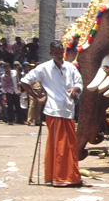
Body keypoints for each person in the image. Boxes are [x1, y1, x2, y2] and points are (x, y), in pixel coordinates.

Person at [20, 40, 84, 187]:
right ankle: (58, 177)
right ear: (51, 54)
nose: (59, 55)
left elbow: (79, 83)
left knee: (70, 145)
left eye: (61, 52)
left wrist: (76, 89)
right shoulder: (43, 68)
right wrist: (37, 98)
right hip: (54, 110)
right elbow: (24, 81)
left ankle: (71, 176)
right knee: (59, 145)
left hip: (68, 110)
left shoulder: (70, 67)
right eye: (56, 53)